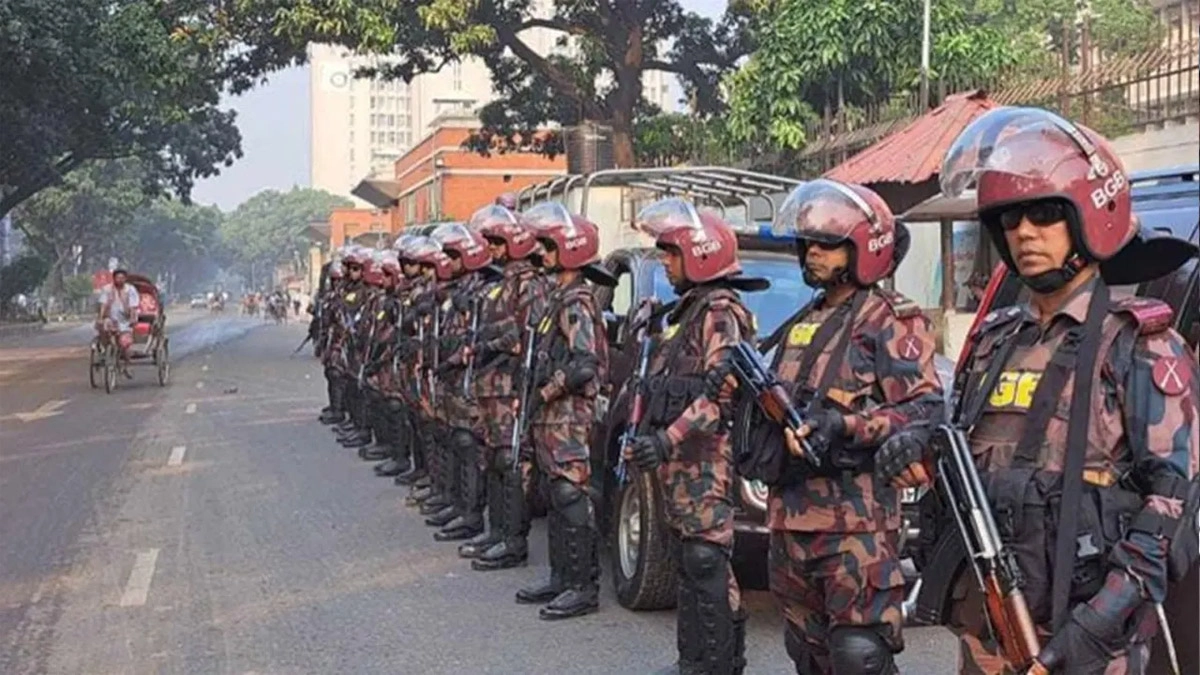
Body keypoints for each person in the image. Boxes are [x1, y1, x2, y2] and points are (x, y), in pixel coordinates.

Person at [879, 107, 1199, 674]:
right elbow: (966, 450)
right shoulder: (996, 341)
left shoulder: (1140, 345)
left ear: (1087, 216)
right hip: (988, 628)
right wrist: (920, 450)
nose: (1024, 232)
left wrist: (1095, 628)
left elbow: (1171, 506)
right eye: (1010, 219)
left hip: (1083, 644)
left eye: (1045, 214)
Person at [754, 179, 944, 675]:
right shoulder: (805, 320)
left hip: (853, 528)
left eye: (826, 244)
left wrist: (845, 426)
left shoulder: (889, 319)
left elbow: (924, 410)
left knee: (859, 657)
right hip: (790, 519)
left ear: (864, 248)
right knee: (809, 656)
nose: (812, 253)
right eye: (807, 243)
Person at [625, 198, 763, 673]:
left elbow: (719, 396)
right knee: (689, 563)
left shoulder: (720, 313)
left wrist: (667, 440)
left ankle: (722, 665)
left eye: (671, 254)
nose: (665, 264)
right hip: (681, 467)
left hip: (707, 464)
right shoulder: (686, 311)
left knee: (708, 563)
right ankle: (694, 663)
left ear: (700, 253)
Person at [512, 201, 610, 619]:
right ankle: (561, 576)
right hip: (553, 417)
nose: (543, 255)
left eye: (550, 248)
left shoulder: (577, 302)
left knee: (571, 497)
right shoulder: (559, 298)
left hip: (569, 416)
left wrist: (546, 391)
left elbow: (585, 362)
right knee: (555, 495)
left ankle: (582, 586)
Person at [456, 204, 548, 568]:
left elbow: (526, 335)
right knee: (493, 458)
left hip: (511, 386)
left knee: (512, 463)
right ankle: (497, 531)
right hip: (491, 386)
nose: (491, 249)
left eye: (497, 242)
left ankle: (513, 540)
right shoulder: (503, 283)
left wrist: (486, 343)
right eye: (489, 241)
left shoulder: (529, 284)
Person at [95, 268, 142, 376]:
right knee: (103, 330)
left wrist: (132, 318)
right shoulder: (107, 289)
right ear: (114, 278)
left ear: (125, 279)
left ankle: (126, 364)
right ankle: (106, 351)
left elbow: (133, 306)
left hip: (125, 319)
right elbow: (103, 304)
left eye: (122, 278)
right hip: (110, 318)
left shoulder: (130, 290)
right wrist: (100, 317)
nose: (119, 280)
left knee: (125, 343)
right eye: (117, 278)